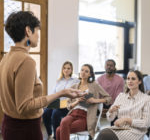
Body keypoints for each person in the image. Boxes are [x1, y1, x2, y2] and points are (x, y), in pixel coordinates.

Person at [0, 11, 85, 140]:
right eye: (37, 31)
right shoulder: (26, 60)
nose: (39, 36)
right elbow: (24, 106)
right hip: (26, 130)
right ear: (28, 31)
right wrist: (61, 93)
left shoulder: (6, 58)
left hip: (9, 124)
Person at [56, 64, 112, 140]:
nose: (83, 72)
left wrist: (94, 100)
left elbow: (109, 98)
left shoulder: (94, 85)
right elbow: (69, 106)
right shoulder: (74, 86)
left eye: (86, 71)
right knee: (64, 122)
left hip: (86, 117)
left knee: (59, 130)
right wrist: (77, 101)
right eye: (82, 70)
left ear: (90, 74)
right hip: (73, 113)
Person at [96, 70, 150, 140]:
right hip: (119, 128)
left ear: (139, 81)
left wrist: (127, 120)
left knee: (105, 135)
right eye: (128, 78)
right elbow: (110, 118)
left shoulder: (146, 99)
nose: (130, 81)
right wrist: (111, 111)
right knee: (103, 132)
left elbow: (146, 123)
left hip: (135, 131)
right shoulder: (121, 96)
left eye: (133, 79)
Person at [43, 61, 79, 140]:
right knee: (45, 113)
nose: (66, 70)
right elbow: (53, 92)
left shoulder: (76, 80)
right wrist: (48, 101)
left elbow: (76, 94)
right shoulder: (59, 80)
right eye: (64, 68)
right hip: (57, 103)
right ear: (62, 69)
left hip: (67, 104)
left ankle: (57, 137)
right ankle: (50, 134)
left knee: (55, 114)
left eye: (68, 68)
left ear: (71, 69)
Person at [97, 59, 124, 125]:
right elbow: (97, 95)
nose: (109, 67)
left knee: (117, 112)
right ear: (104, 66)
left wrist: (111, 108)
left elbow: (119, 96)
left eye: (111, 65)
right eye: (107, 65)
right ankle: (94, 130)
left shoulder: (120, 79)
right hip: (102, 104)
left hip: (114, 104)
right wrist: (101, 107)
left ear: (114, 67)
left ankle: (114, 129)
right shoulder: (99, 79)